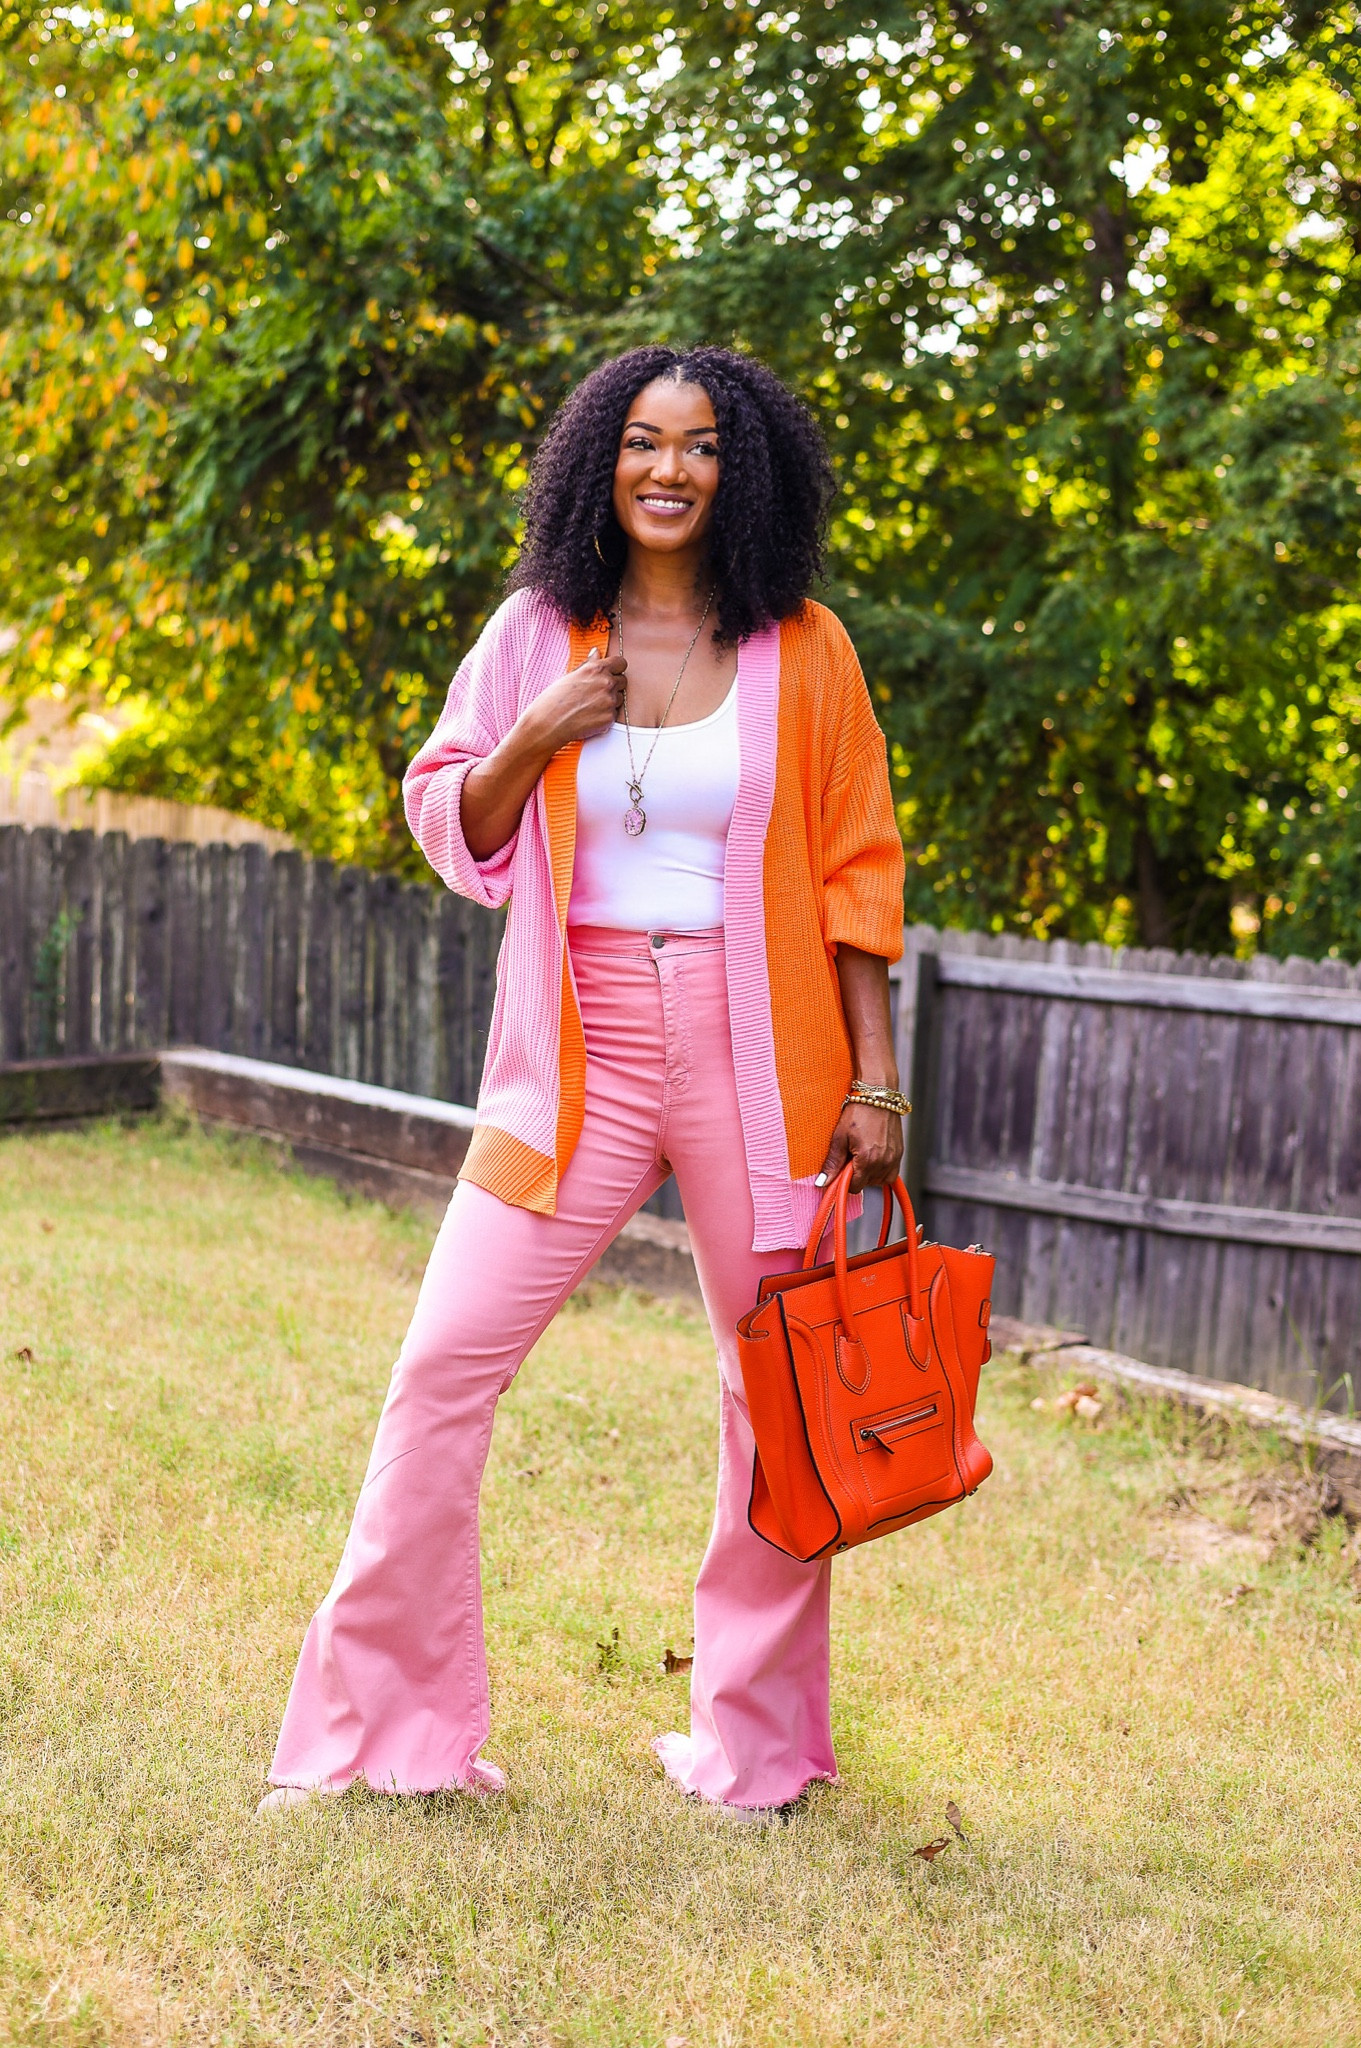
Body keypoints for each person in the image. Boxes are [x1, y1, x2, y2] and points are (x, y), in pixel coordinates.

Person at [258, 344, 908, 1820]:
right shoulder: (534, 633)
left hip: (767, 1054)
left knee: (780, 1405)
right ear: (595, 465)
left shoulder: (805, 649)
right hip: (575, 1059)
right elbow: (450, 816)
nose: (667, 469)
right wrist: (542, 731)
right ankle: (392, 1737)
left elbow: (856, 873)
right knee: (439, 1373)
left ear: (741, 474)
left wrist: (877, 1085)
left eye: (698, 447)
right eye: (639, 441)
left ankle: (751, 1756)